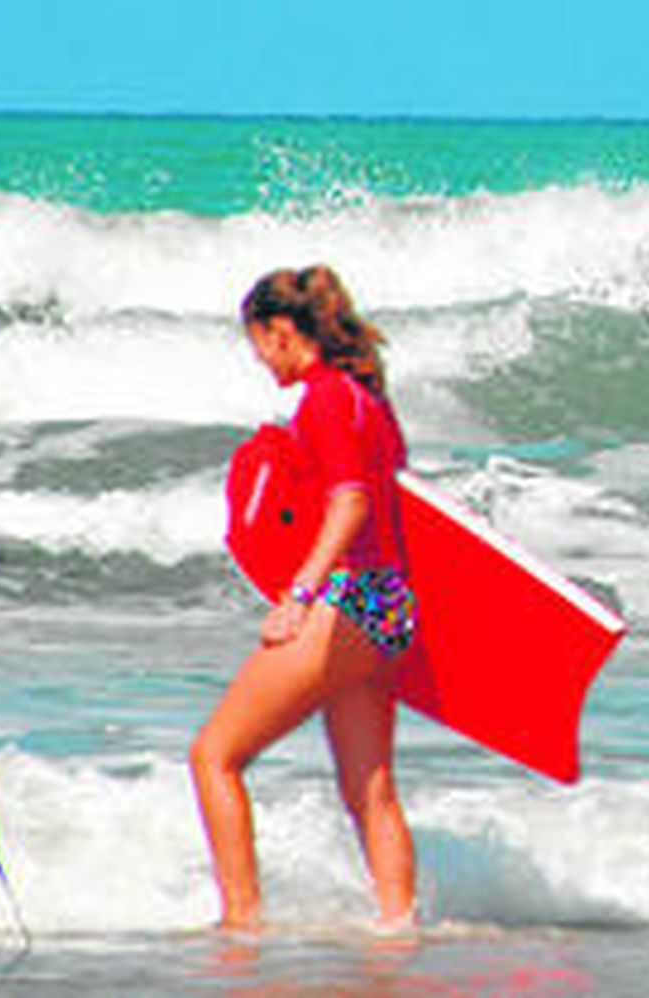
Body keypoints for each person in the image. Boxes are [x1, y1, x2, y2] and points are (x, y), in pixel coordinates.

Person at [190, 265, 418, 935]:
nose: (260, 358)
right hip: (392, 603)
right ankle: (398, 930)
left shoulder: (324, 398)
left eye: (259, 341)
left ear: (282, 331)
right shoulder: (368, 398)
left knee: (214, 757)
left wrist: (299, 594)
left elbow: (349, 501)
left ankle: (241, 923)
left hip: (345, 600)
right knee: (370, 792)